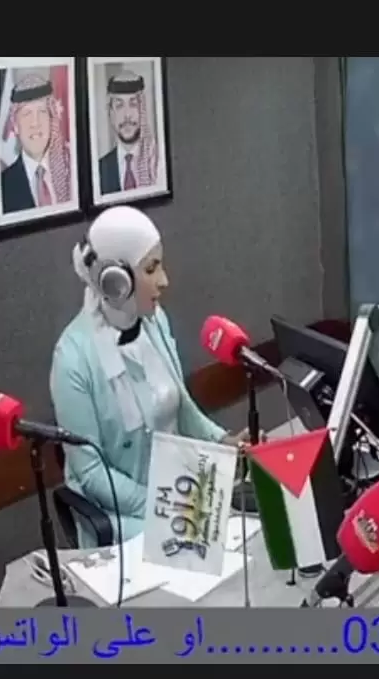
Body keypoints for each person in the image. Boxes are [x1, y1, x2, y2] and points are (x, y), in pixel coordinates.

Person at [50, 206, 246, 547]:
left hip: (180, 497)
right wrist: (166, 507)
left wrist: (224, 442)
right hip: (124, 518)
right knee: (212, 549)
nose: (164, 280)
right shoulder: (72, 359)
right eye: (151, 269)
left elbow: (182, 407)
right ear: (116, 282)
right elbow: (92, 475)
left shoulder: (155, 321)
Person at [0, 74, 73, 213]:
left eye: (42, 112)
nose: (35, 123)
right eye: (27, 114)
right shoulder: (2, 187)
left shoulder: (72, 170)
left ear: (51, 119)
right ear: (15, 125)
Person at [97, 72, 159, 195]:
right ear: (110, 112)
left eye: (133, 104)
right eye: (119, 105)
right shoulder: (100, 169)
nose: (127, 115)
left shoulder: (157, 163)